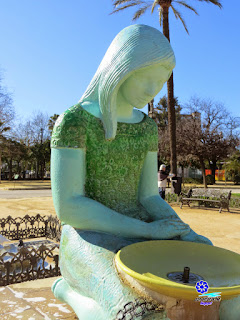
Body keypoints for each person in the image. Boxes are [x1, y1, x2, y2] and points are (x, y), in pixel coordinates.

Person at [50, 25, 212, 320]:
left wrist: (184, 232)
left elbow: (149, 196)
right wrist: (148, 231)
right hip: (90, 237)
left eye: (161, 82)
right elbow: (70, 207)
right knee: (137, 315)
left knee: (213, 296)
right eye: (147, 77)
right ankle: (68, 291)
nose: (153, 89)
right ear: (121, 66)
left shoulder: (147, 127)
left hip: (144, 234)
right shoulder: (74, 122)